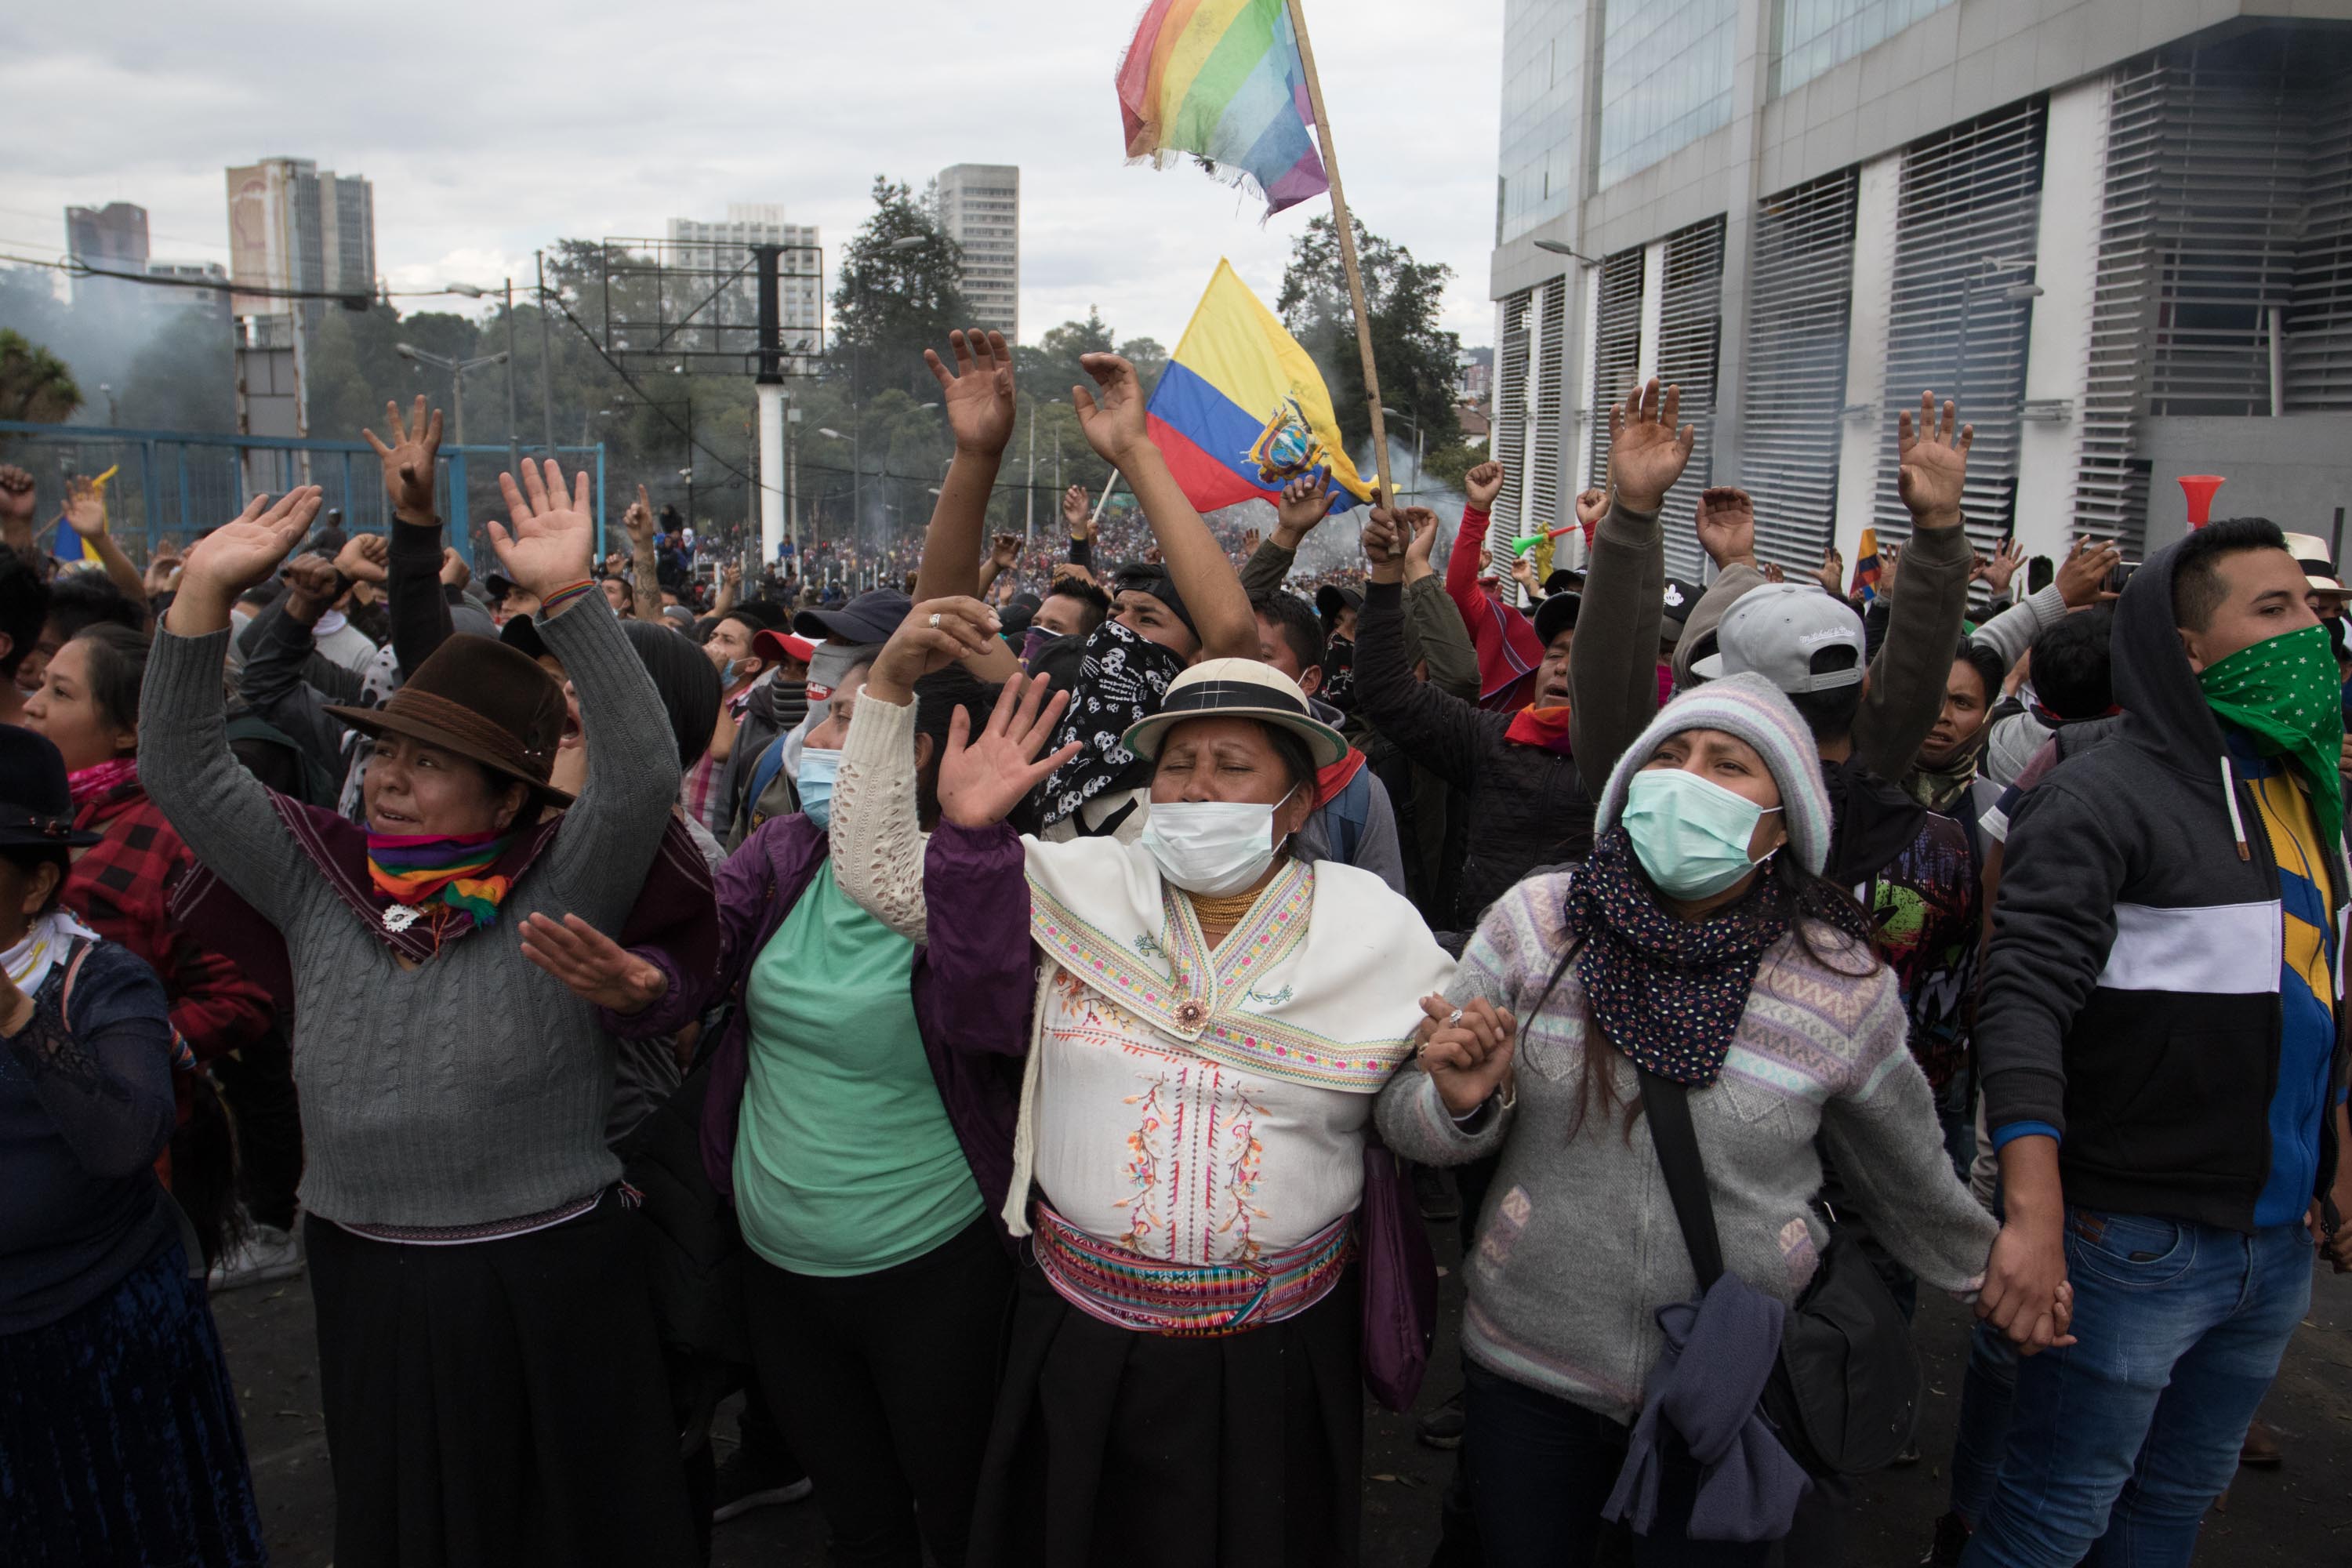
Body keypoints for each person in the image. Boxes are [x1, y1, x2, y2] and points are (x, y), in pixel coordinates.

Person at [140, 474, 707, 1566]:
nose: (391, 779)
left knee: (566, 1528)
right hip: (369, 1274)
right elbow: (183, 767)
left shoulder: (562, 881)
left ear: (509, 800)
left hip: (548, 1275)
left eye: (432, 761)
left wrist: (573, 599)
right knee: (410, 1520)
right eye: (388, 753)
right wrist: (203, 589)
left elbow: (639, 774)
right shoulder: (318, 879)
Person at [824, 619, 1453, 1568]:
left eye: (1231, 765)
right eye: (1176, 765)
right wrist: (897, 709)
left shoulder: (1379, 932)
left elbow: (1420, 1123)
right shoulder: (1076, 884)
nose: (1195, 787)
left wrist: (1463, 1103)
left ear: (1295, 802)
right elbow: (878, 875)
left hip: (1277, 1356)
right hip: (1080, 1339)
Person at [1375, 673, 2024, 1565]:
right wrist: (1458, 1102)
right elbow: (1406, 1118)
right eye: (1669, 758)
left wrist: (1999, 1276)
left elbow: (1909, 1175)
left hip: (1733, 1378)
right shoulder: (1536, 926)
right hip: (1529, 1366)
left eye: (1728, 766)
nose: (1688, 781)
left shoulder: (1837, 980)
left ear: (1785, 821)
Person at [519, 647, 1019, 1568]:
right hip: (779, 1266)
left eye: (843, 718)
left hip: (933, 1269)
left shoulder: (987, 882)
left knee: (963, 1514)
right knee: (858, 1520)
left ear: (908, 750)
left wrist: (974, 850)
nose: (812, 737)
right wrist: (646, 983)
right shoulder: (786, 852)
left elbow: (995, 1017)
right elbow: (701, 952)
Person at [1965, 517, 2352, 1567]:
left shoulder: (2306, 795)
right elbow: (2022, 1001)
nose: (2311, 631)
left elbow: (2318, 994)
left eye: (2314, 608)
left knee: (2171, 1508)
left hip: (2273, 1249)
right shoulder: (2099, 794)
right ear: (2187, 650)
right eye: (2274, 609)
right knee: (2052, 1520)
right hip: (2132, 1245)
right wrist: (2034, 1217)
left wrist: (2330, 1163)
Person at [0, 725, 268, 1567]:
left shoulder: (101, 981)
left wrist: (15, 1016)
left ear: (36, 881)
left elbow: (124, 1140)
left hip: (94, 1342)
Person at [1354, 379, 1697, 935]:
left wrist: (1633, 514)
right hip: (1480, 962)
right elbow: (1386, 692)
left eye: (1583, 659)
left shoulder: (1648, 769)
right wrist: (1388, 574)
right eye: (1555, 652)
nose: (1565, 667)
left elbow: (1623, 642)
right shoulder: (1492, 740)